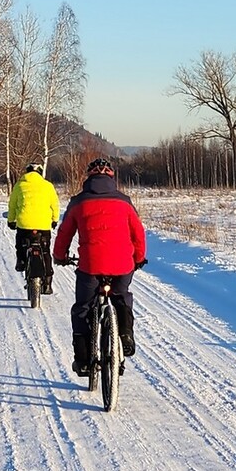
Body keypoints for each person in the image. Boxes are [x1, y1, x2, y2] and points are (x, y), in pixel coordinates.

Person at [52, 157, 147, 376]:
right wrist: (139, 258)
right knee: (121, 296)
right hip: (123, 264)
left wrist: (60, 256)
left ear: (88, 178)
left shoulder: (78, 202)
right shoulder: (125, 201)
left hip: (91, 266)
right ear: (112, 178)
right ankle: (125, 335)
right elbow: (138, 233)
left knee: (83, 308)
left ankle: (84, 360)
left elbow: (64, 233)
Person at [4, 163, 59, 294]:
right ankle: (47, 283)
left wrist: (11, 221)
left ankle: (21, 262)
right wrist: (55, 220)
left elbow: (12, 205)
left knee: (21, 244)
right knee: (45, 251)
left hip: (24, 224)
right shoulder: (48, 186)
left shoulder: (19, 185)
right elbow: (55, 205)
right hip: (43, 226)